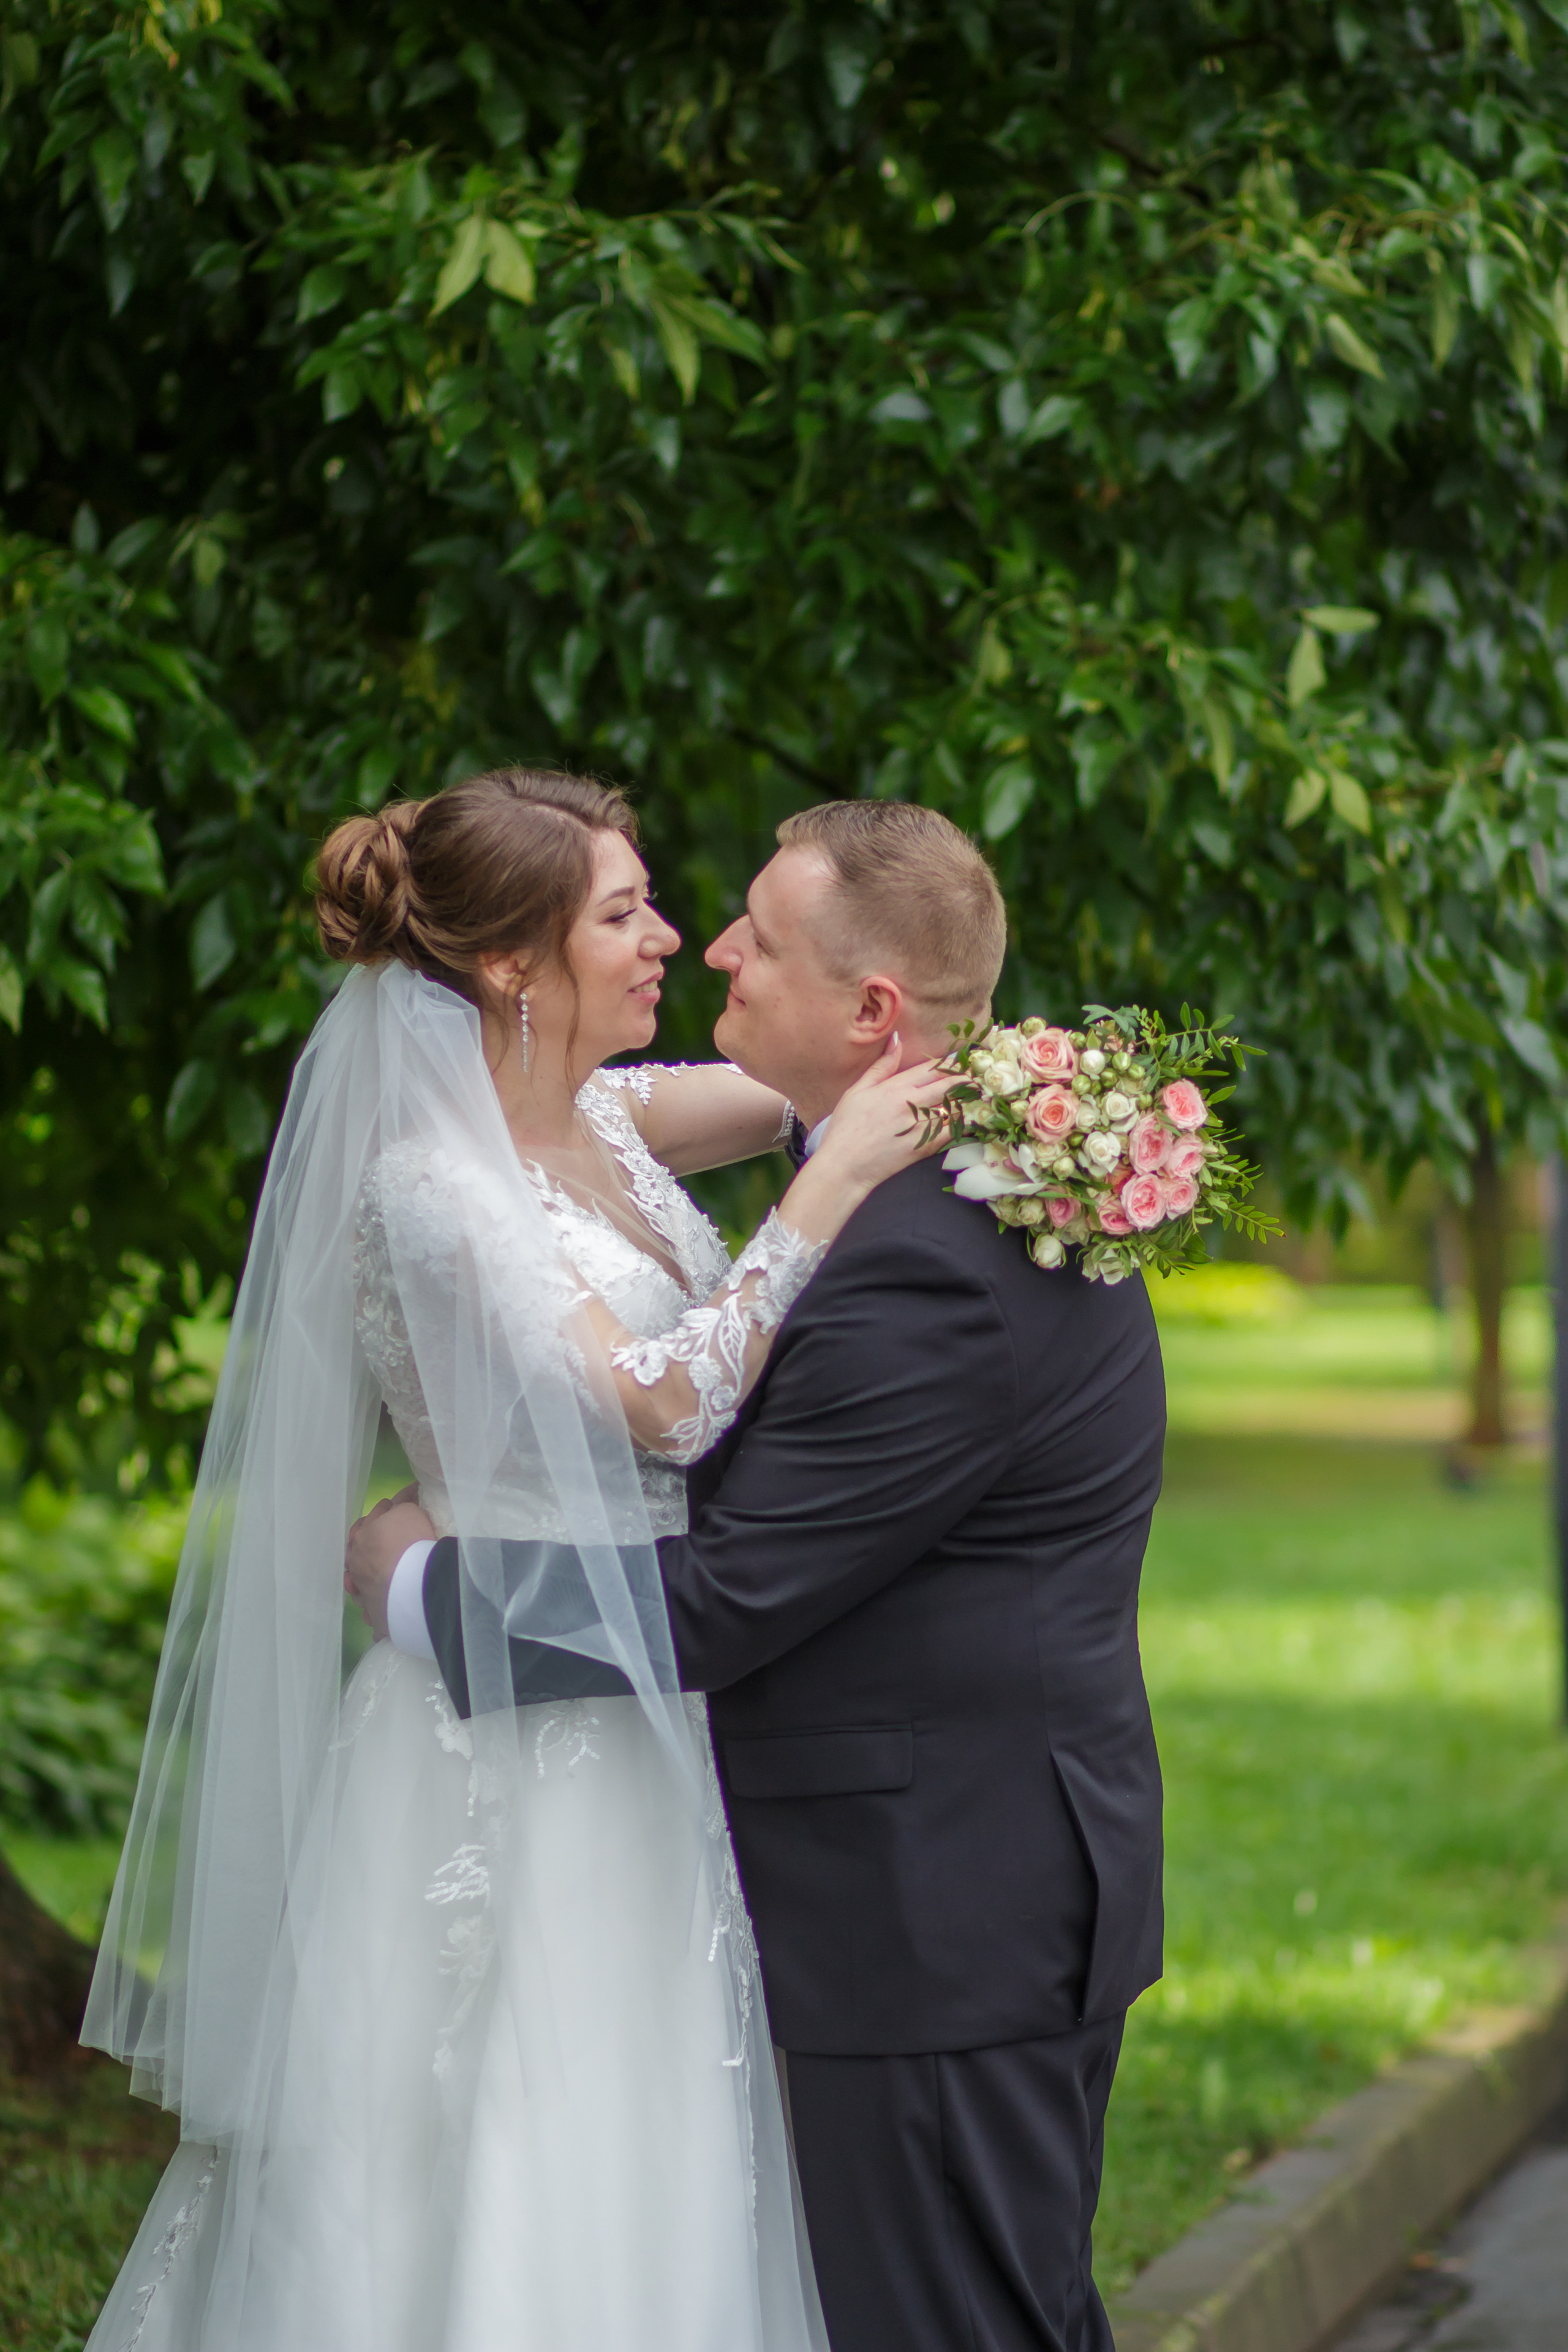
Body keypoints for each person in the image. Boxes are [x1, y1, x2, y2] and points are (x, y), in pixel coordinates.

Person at [80, 767, 947, 2352]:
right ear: (508, 966)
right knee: (486, 2143)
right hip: (499, 1717)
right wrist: (823, 1185)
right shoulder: (433, 1186)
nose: (671, 939)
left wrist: (1036, 1083)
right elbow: (670, 1405)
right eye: (623, 913)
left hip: (653, 1696)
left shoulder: (614, 1117)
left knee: (648, 2123)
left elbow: (839, 1066)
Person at [349, 797, 1168, 2352]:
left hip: (930, 1903)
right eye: (638, 911)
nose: (700, 943)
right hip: (871, 1857)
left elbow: (715, 1591)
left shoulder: (919, 1259)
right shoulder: (931, 1181)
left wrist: (413, 1588)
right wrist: (898, 1109)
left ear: (867, 1013)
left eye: (748, 933)